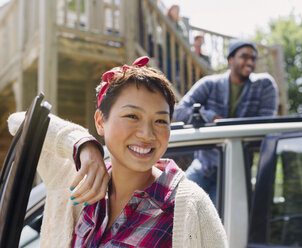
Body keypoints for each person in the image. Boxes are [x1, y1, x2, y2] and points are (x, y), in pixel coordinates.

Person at [8, 56, 228, 247]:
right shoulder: (81, 179)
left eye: (161, 120)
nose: (147, 134)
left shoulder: (190, 206)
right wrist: (84, 145)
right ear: (100, 121)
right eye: (132, 116)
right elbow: (19, 123)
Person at [174, 39, 279, 203]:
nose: (250, 62)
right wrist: (211, 117)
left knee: (217, 218)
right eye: (244, 57)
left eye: (253, 58)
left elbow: (265, 126)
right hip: (204, 165)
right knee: (177, 205)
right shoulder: (209, 84)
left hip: (236, 169)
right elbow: (179, 111)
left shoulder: (264, 86)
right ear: (231, 60)